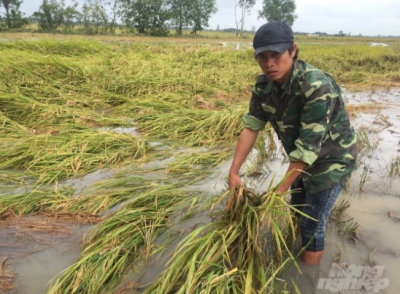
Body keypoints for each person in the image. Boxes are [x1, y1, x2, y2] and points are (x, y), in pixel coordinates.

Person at [228, 21, 357, 266]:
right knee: (297, 209)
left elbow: (309, 148)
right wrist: (234, 171)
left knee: (311, 222)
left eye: (275, 54)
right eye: (262, 57)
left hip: (332, 161)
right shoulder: (263, 85)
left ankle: (308, 276)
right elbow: (252, 125)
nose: (269, 64)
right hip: (301, 159)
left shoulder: (315, 87)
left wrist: (278, 192)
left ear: (293, 50)